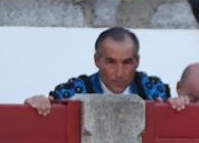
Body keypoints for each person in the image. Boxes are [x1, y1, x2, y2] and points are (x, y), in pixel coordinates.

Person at [24, 27, 177, 116]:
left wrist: (177, 105)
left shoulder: (156, 90)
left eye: (127, 62)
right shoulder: (73, 92)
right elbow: (44, 113)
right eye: (111, 62)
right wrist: (37, 103)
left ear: (137, 61)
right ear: (97, 60)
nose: (119, 72)